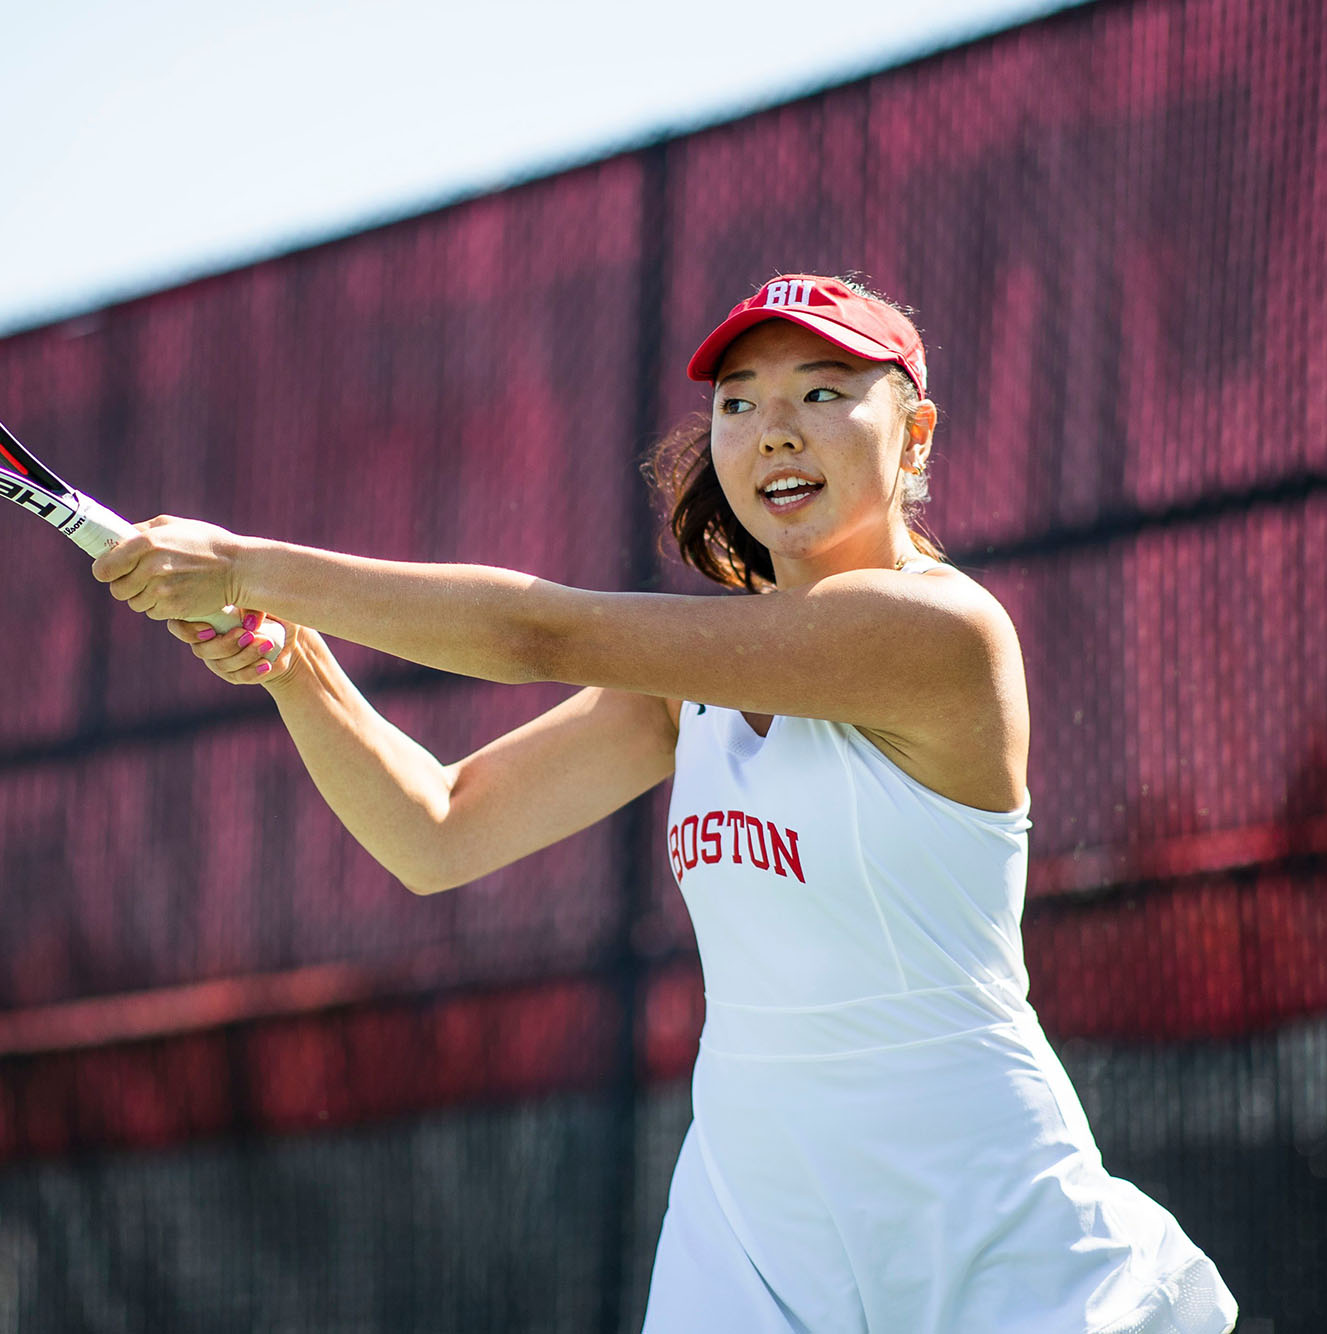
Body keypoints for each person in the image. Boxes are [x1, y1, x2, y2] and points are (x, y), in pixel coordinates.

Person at [91, 273, 1238, 1332]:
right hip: (749, 1242)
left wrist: (243, 564)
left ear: (914, 432)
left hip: (988, 1247)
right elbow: (434, 829)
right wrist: (295, 663)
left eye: (822, 391)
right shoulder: (684, 696)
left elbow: (535, 631)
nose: (773, 429)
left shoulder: (940, 633)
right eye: (737, 403)